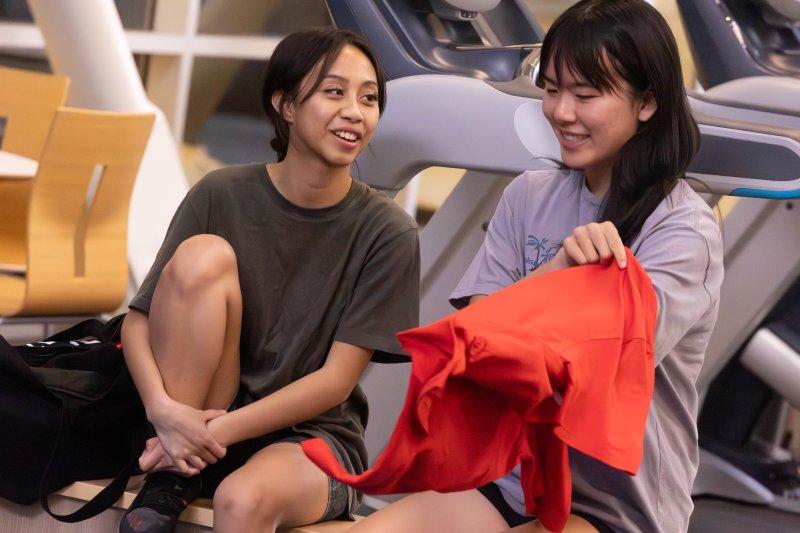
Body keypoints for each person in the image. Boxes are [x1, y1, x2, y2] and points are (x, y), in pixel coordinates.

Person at [347, 1, 723, 532]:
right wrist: (562, 269)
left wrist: (541, 311)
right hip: (510, 480)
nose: (561, 112)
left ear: (647, 103)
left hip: (614, 506)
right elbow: (479, 346)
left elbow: (602, 377)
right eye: (551, 90)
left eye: (586, 95)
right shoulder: (527, 196)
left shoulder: (683, 231)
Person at [118, 29, 420, 533]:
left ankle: (179, 468)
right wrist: (167, 414)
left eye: (369, 98)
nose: (355, 112)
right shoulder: (220, 192)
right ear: (284, 103)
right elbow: (136, 323)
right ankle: (174, 477)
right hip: (196, 412)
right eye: (333, 91)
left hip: (309, 438)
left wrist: (203, 436)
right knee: (201, 256)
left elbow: (336, 382)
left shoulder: (388, 231)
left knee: (241, 501)